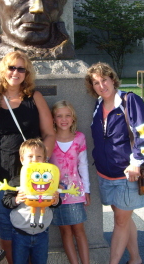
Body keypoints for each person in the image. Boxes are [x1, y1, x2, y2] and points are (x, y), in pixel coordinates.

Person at [84, 62, 144, 264]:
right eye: (96, 82)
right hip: (105, 173)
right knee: (123, 219)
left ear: (112, 80)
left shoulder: (129, 100)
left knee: (120, 221)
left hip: (128, 174)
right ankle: (135, 259)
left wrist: (136, 162)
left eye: (104, 80)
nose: (101, 85)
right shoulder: (98, 105)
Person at [0, 51, 55, 264]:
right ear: (3, 70)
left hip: (33, 175)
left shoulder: (34, 97)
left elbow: (49, 133)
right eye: (11, 67)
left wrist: (41, 167)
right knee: (6, 226)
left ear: (26, 73)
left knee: (33, 224)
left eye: (21, 69)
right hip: (2, 176)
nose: (15, 72)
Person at [0, 139, 61, 264]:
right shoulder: (16, 181)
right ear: (22, 160)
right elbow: (5, 201)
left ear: (44, 159)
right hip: (20, 233)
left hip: (42, 232)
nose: (34, 160)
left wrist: (56, 200)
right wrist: (16, 199)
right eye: (30, 157)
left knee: (40, 261)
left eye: (39, 156)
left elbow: (56, 203)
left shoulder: (49, 180)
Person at [50, 100, 90, 264]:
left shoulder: (79, 138)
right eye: (59, 116)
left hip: (75, 191)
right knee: (65, 231)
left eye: (67, 116)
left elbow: (83, 165)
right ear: (53, 119)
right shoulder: (49, 139)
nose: (64, 119)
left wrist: (86, 190)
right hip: (56, 193)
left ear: (73, 118)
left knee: (79, 230)